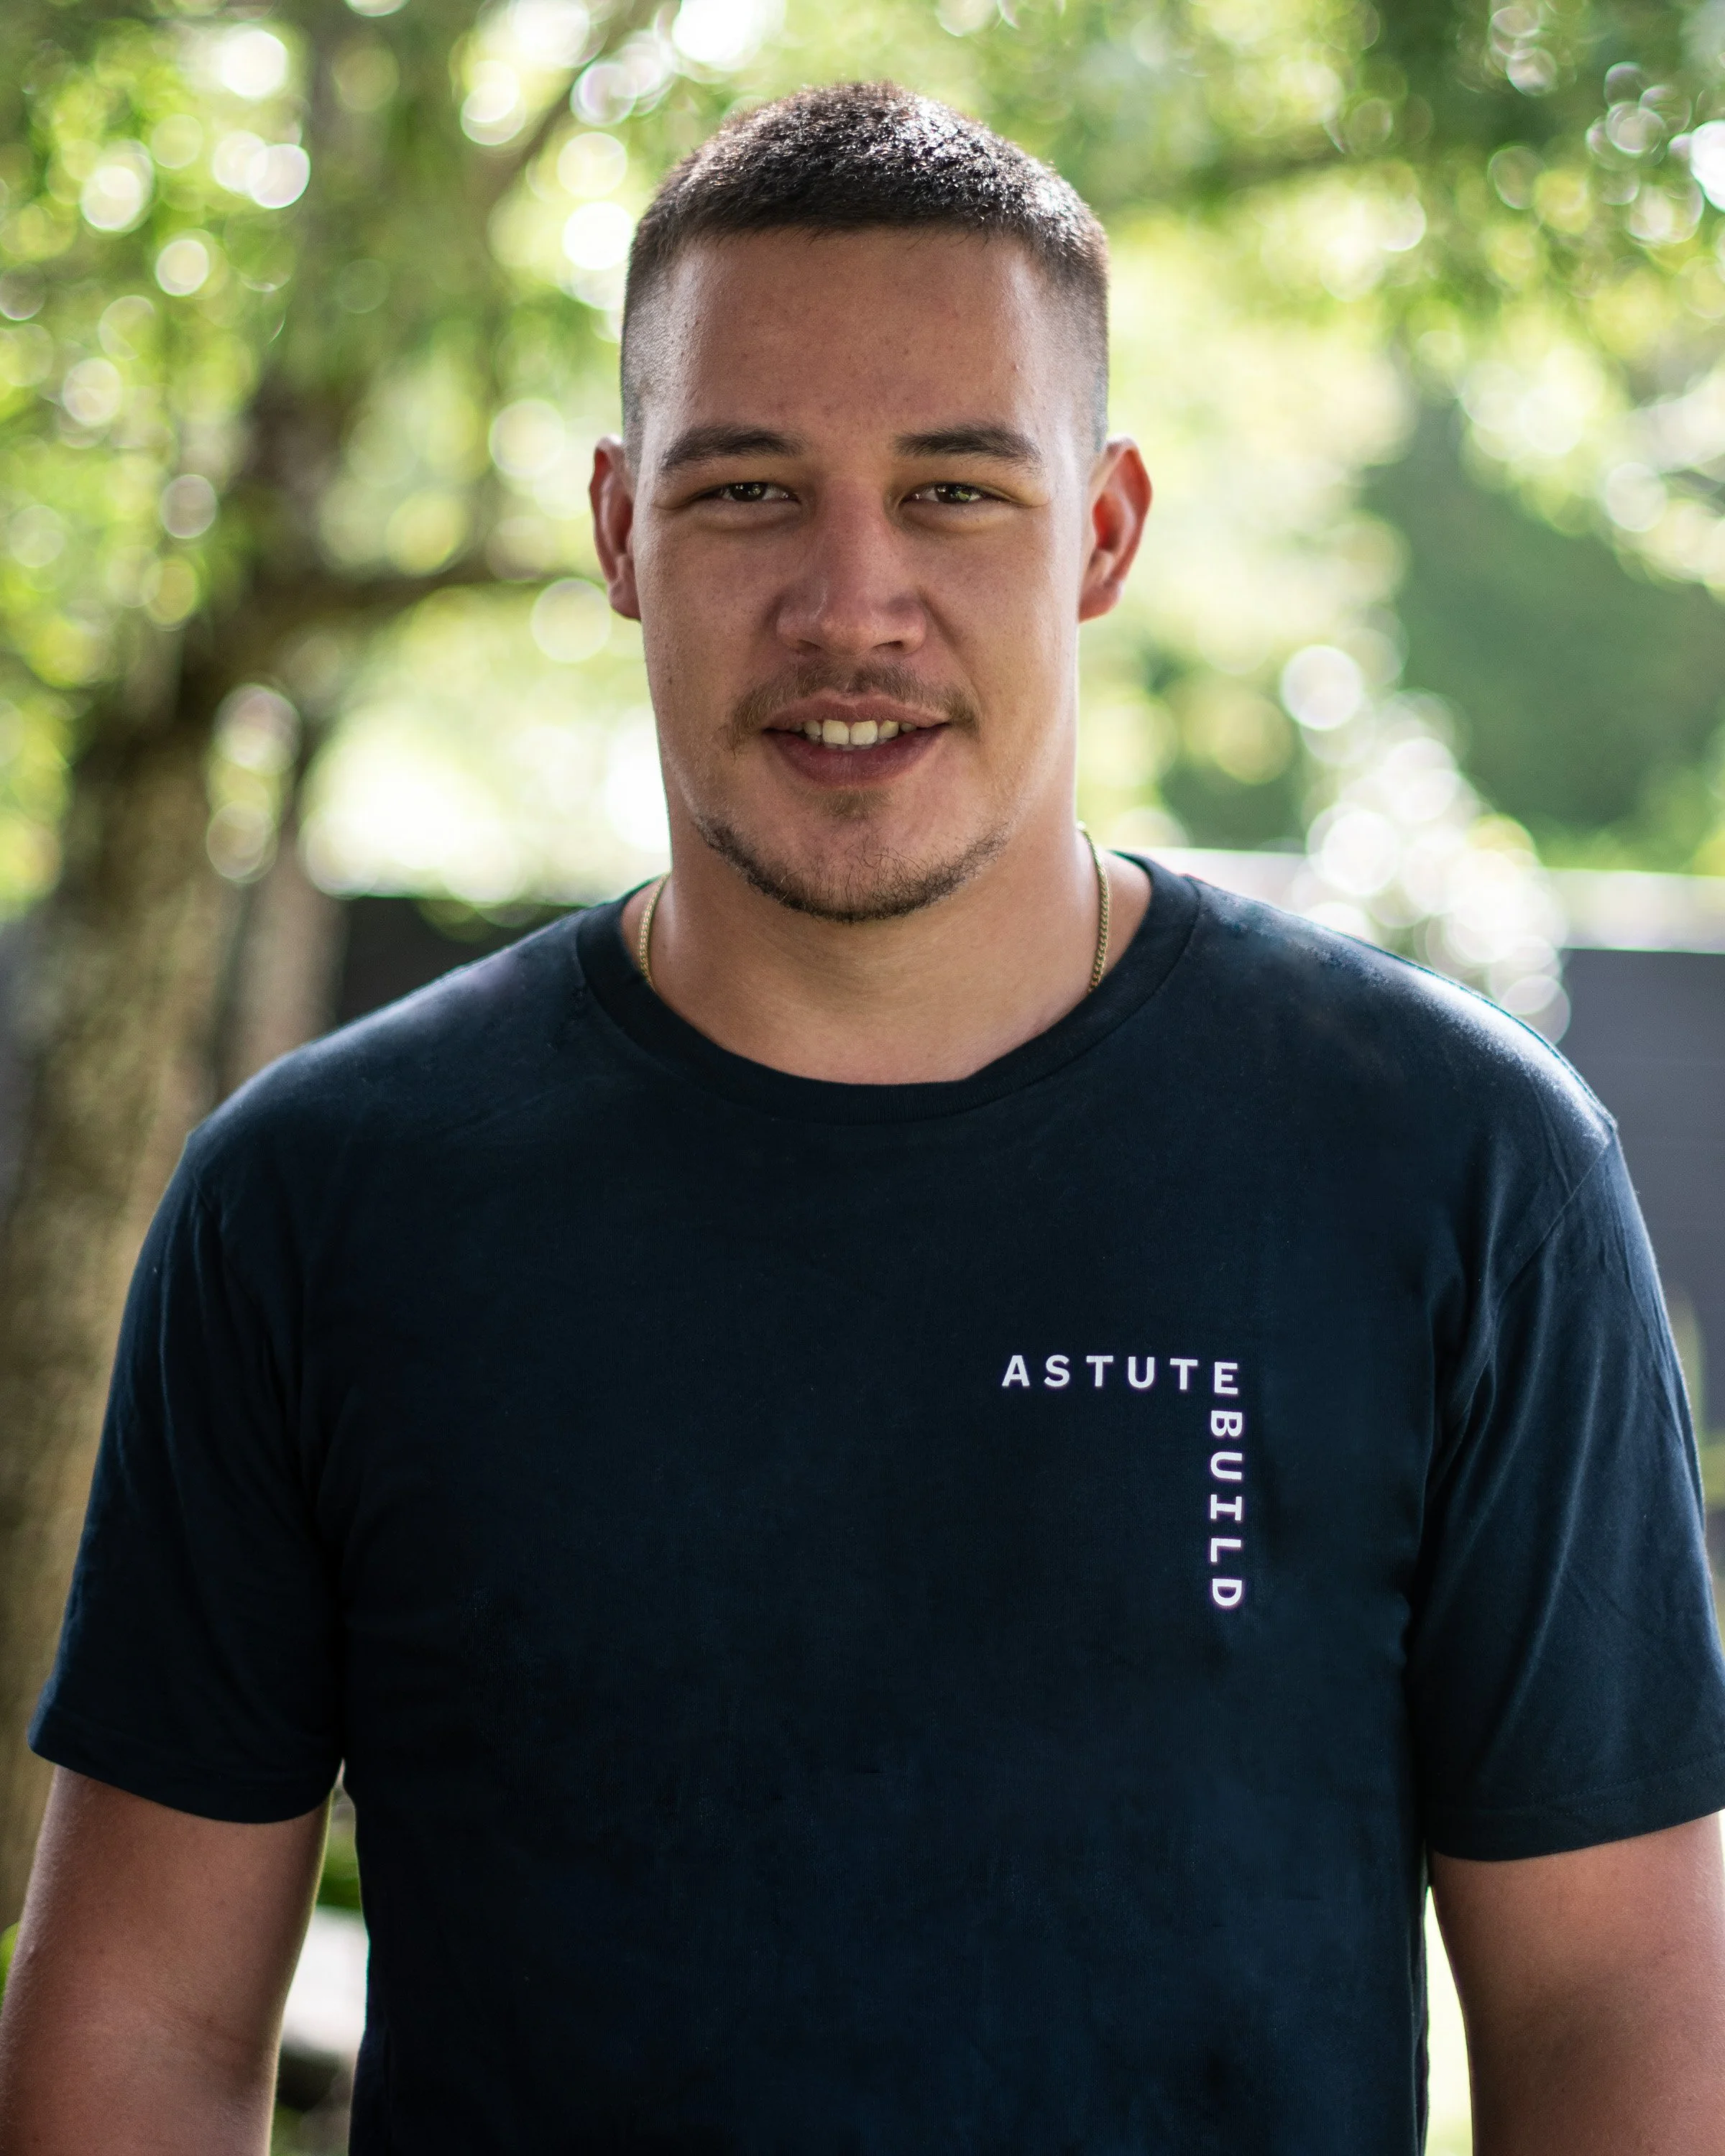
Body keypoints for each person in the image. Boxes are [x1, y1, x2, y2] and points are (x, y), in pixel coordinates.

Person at [3, 80, 1725, 2156]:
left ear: (1102, 532)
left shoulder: (1465, 1176)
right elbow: (136, 2032)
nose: (850, 602)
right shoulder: (318, 1203)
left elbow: (1624, 2013)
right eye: (747, 492)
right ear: (622, 530)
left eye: (954, 493)